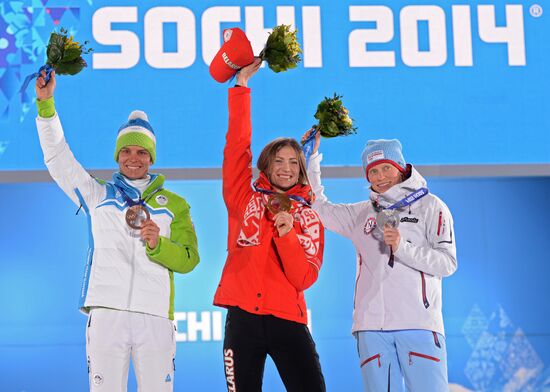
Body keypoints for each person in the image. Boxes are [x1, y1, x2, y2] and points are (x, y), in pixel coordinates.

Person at [35, 71, 200, 392]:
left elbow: (189, 260)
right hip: (107, 314)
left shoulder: (175, 205)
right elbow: (57, 157)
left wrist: (159, 244)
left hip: (154, 316)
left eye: (141, 152)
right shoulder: (97, 194)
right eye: (126, 151)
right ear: (117, 155)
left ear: (151, 157)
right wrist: (46, 105)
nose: (133, 158)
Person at [303, 130, 457, 391]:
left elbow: (447, 263)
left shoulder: (431, 206)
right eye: (373, 171)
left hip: (418, 324)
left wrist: (402, 247)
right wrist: (311, 158)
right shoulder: (362, 214)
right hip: (371, 328)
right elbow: (319, 209)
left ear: (401, 167)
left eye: (386, 168)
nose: (381, 177)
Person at [213, 59, 326, 391]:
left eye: (294, 162)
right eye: (278, 160)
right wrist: (241, 87)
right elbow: (237, 148)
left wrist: (288, 233)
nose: (286, 168)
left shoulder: (309, 217)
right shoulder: (243, 198)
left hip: (287, 319)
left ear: (301, 170)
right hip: (243, 318)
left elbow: (303, 277)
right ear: (266, 165)